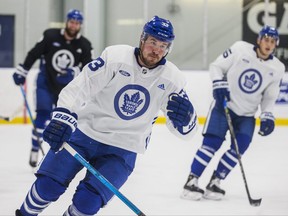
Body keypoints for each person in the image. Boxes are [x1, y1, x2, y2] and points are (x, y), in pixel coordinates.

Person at [15, 15, 198, 216]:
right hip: (84, 134)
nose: (156, 50)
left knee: (87, 203)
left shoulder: (173, 79)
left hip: (123, 149)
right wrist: (63, 115)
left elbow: (185, 133)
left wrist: (188, 121)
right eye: (153, 42)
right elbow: (82, 85)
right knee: (48, 186)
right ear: (143, 39)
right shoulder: (116, 57)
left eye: (163, 45)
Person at [181, 25, 285, 201]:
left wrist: (267, 114)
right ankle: (191, 181)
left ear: (276, 45)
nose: (269, 44)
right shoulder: (240, 49)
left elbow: (269, 97)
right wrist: (218, 83)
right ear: (259, 40)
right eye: (266, 39)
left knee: (239, 148)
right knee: (211, 144)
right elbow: (216, 67)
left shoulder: (277, 68)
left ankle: (215, 182)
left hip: (247, 114)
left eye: (273, 41)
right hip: (224, 107)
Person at [12, 9, 94, 167]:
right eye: (72, 22)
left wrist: (72, 72)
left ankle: (56, 154)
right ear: (67, 21)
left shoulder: (84, 45)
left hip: (68, 89)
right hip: (45, 83)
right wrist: (22, 70)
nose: (74, 25)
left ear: (80, 25)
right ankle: (35, 149)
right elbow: (34, 54)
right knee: (42, 115)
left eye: (77, 23)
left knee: (63, 121)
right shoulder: (50, 36)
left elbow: (89, 69)